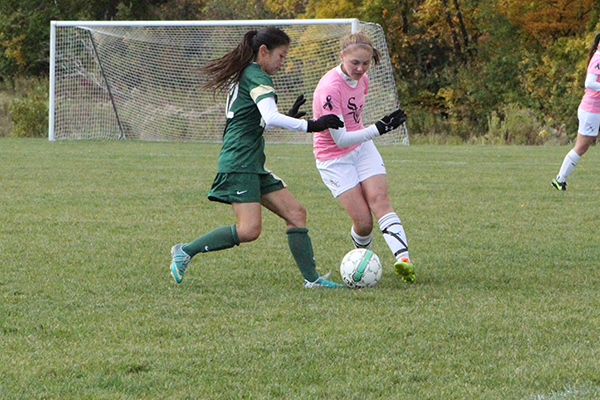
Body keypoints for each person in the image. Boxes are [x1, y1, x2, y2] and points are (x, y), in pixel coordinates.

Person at [169, 27, 345, 288]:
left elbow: (262, 119)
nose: (283, 62)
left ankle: (312, 280)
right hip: (240, 161)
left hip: (251, 161)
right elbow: (271, 117)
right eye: (281, 56)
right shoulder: (256, 75)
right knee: (249, 230)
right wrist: (312, 125)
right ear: (264, 51)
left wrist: (290, 116)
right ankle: (185, 250)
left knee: (296, 213)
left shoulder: (248, 74)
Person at [310, 31, 415, 282]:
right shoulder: (329, 88)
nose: (360, 68)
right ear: (341, 56)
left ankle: (404, 261)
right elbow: (340, 139)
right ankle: (362, 261)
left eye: (365, 63)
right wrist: (378, 129)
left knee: (380, 199)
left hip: (361, 147)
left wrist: (371, 132)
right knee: (364, 223)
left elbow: (355, 123)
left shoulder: (363, 80)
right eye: (354, 62)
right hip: (333, 157)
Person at [552, 32, 600, 191]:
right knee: (581, 147)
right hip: (591, 110)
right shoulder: (598, 59)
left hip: (595, 110)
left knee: (583, 147)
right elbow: (590, 83)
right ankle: (560, 179)